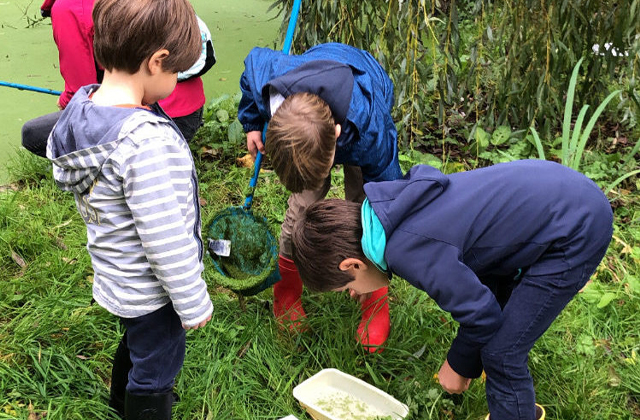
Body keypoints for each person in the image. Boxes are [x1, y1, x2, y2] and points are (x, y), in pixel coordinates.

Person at [291, 160, 613, 420]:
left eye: (347, 288)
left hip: (574, 230)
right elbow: (480, 285)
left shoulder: (408, 250)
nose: (353, 294)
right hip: (563, 193)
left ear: (352, 265)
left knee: (501, 354)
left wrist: (458, 365)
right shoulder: (391, 208)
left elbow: (483, 315)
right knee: (495, 307)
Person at [46, 0, 213, 418]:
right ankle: (144, 406)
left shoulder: (83, 109)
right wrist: (192, 303)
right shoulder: (146, 145)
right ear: (157, 62)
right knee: (158, 364)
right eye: (178, 71)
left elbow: (43, 136)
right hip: (153, 291)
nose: (177, 80)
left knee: (136, 341)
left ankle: (120, 400)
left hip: (116, 274)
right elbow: (165, 238)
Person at [238, 43, 403, 351]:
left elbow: (389, 197)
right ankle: (286, 291)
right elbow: (252, 64)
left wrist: (381, 231)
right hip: (310, 125)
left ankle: (374, 297)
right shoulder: (270, 86)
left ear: (337, 137)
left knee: (366, 206)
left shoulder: (371, 130)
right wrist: (251, 123)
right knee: (302, 207)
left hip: (365, 99)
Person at [22, 0, 214, 158]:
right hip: (190, 114)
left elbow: (79, 96)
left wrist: (64, 100)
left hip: (160, 117)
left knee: (31, 133)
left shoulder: (69, 7)